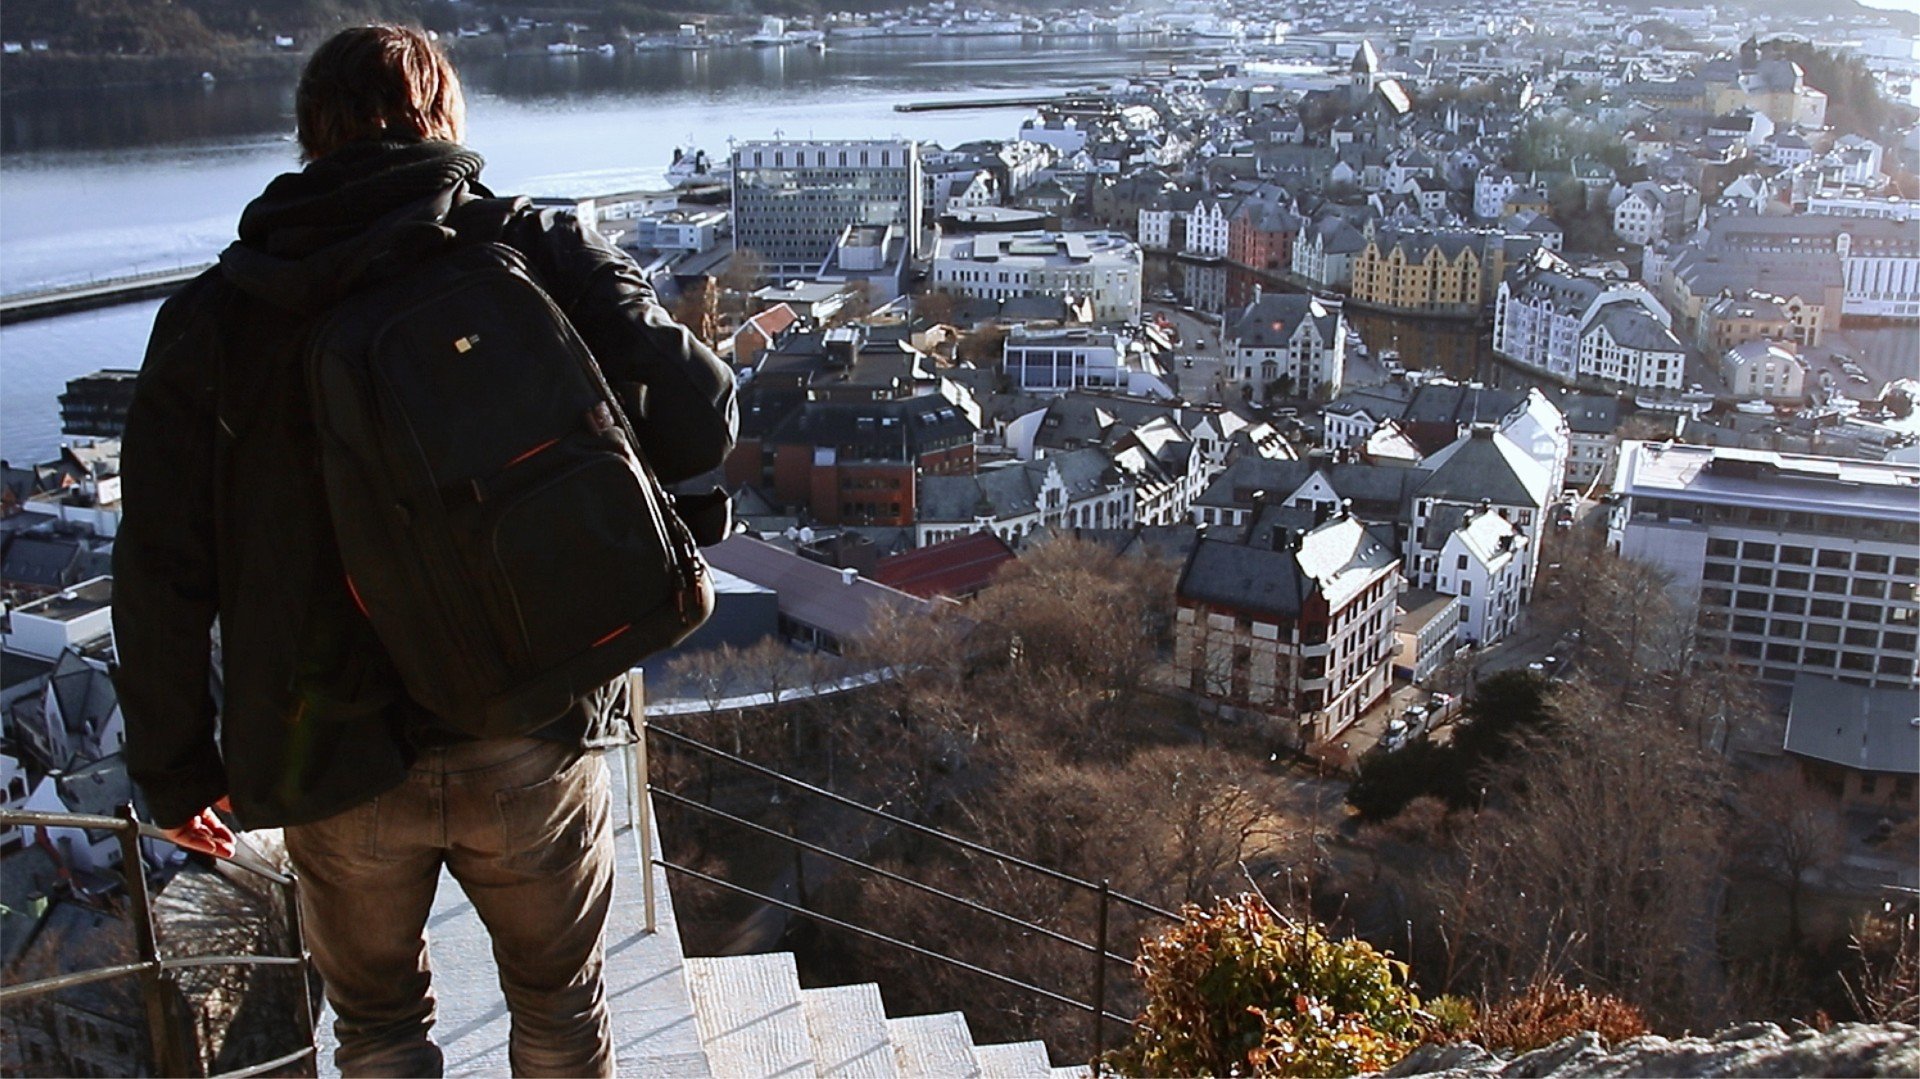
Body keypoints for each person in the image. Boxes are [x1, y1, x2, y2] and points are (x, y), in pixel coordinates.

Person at [112, 24, 736, 1078]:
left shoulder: (212, 318)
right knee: (560, 1008)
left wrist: (175, 770)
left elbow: (160, 566)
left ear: (311, 135)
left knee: (378, 1028)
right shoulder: (537, 246)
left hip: (327, 750)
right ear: (444, 117)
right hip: (530, 712)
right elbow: (701, 414)